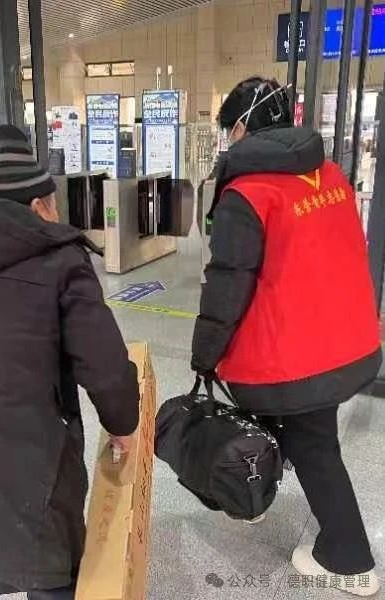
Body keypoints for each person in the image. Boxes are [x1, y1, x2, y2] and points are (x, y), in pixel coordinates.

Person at [0, 125, 139, 600]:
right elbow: (104, 365)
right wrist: (123, 425)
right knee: (48, 565)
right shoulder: (61, 258)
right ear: (39, 205)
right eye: (53, 203)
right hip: (28, 461)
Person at [192, 76, 381, 597]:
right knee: (287, 421)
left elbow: (227, 285)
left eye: (228, 128)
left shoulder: (247, 193)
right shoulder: (330, 174)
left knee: (313, 441)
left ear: (242, 127)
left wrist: (204, 355)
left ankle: (348, 557)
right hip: (345, 335)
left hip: (296, 352)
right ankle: (255, 490)